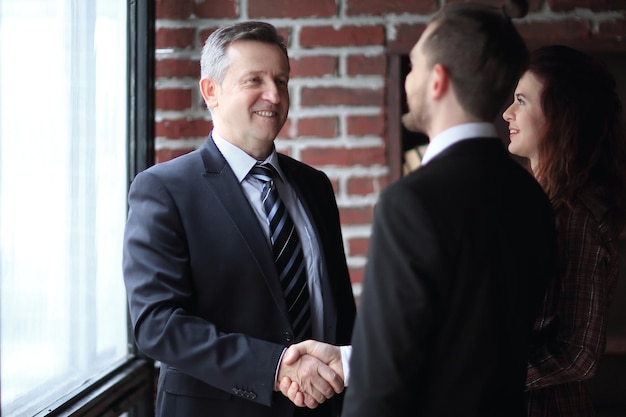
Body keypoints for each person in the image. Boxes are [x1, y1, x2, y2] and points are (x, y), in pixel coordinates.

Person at [332, 0, 557, 415]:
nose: (409, 80)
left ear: (437, 81)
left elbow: (381, 380)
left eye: (414, 67)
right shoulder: (533, 198)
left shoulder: (411, 203)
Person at [122, 21, 356, 417]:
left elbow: (337, 311)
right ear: (211, 91)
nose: (274, 95)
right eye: (255, 80)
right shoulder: (163, 189)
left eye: (281, 81)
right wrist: (274, 367)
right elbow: (157, 323)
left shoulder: (315, 186)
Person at [502, 45, 626, 416]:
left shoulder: (577, 214)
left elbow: (578, 355)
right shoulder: (536, 202)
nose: (507, 113)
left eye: (521, 101)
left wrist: (482, 373)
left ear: (561, 115)